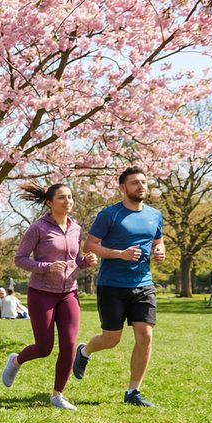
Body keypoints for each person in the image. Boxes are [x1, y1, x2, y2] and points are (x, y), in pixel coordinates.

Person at [73, 166, 166, 408]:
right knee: (111, 338)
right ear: (123, 188)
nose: (141, 186)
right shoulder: (110, 214)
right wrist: (120, 254)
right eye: (135, 183)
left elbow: (158, 240)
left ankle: (133, 391)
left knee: (145, 335)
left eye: (144, 182)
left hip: (143, 284)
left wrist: (159, 250)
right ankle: (84, 351)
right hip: (112, 284)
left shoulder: (155, 215)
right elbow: (90, 246)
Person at [2, 183, 99, 410]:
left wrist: (85, 262)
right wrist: (46, 266)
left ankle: (58, 395)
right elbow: (20, 258)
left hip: (69, 293)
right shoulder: (38, 228)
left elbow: (74, 262)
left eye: (70, 197)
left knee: (69, 343)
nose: (68, 201)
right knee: (44, 347)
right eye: (62, 198)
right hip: (41, 293)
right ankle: (15, 361)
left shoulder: (76, 228)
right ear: (49, 202)